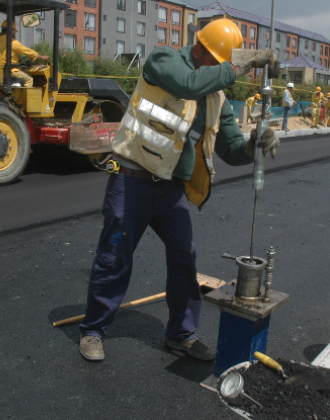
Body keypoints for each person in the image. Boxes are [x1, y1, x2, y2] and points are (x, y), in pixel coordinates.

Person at [77, 18, 280, 362]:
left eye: (224, 67)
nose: (221, 73)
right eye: (217, 64)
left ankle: (181, 335)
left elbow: (230, 149)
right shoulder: (163, 61)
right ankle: (93, 330)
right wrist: (234, 68)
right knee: (114, 259)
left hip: (171, 192)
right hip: (132, 182)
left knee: (185, 260)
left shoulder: (216, 98)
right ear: (198, 49)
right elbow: (187, 84)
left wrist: (253, 145)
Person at [0, 20, 49, 87]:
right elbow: (28, 51)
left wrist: (17, 59)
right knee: (29, 80)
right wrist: (42, 57)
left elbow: (3, 56)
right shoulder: (12, 42)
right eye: (14, 32)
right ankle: (22, 97)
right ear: (11, 31)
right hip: (11, 71)